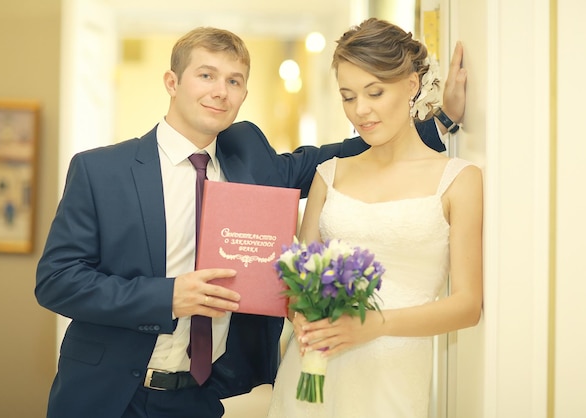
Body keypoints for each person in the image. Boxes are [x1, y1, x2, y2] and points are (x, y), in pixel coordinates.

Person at [35, 25, 466, 418]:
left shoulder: (250, 159)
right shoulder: (100, 170)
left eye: (234, 81)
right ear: (172, 82)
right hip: (105, 396)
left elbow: (344, 154)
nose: (220, 91)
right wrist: (167, 297)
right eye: (206, 75)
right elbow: (56, 280)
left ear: (243, 95)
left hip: (199, 400)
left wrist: (438, 122)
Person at [267, 18, 482, 418]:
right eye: (348, 97)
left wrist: (373, 325)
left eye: (375, 92)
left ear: (412, 85)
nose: (360, 110)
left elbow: (468, 305)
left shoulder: (459, 180)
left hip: (394, 375)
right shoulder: (328, 175)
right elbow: (298, 281)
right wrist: (300, 315)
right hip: (312, 370)